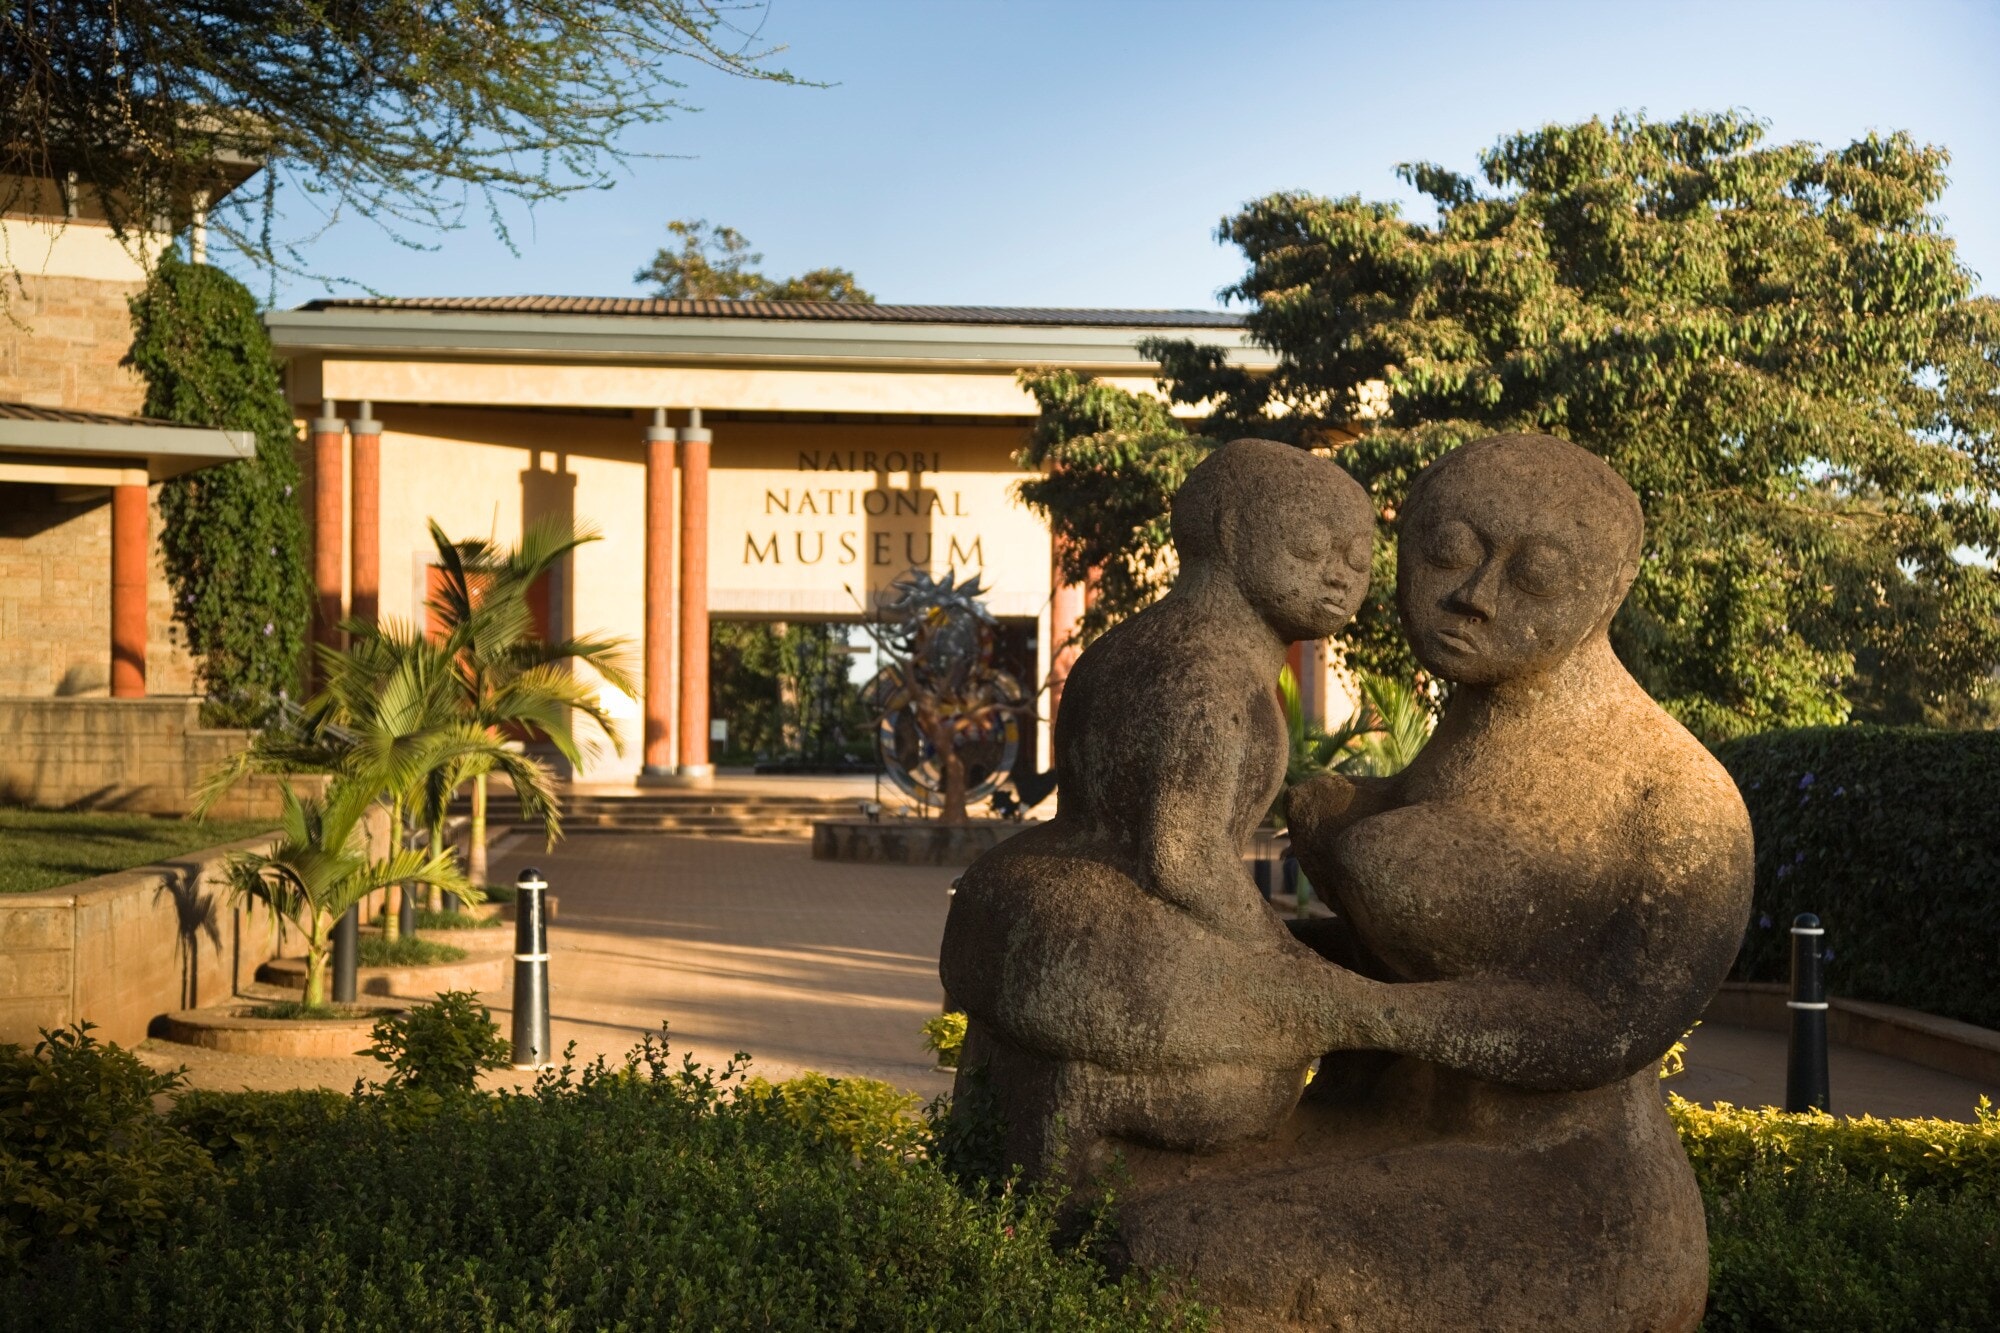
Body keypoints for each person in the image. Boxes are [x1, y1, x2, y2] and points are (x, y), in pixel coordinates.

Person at [1116, 433, 1753, 1333]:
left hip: (1564, 1188)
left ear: (1608, 590)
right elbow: (1383, 952)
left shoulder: (1674, 798)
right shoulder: (1455, 745)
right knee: (1096, 1191)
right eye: (1446, 552)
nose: (1475, 595)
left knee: (1171, 1249)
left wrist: (1345, 1009)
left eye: (1535, 576)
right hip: (1380, 1120)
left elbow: (1606, 1024)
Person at [938, 438, 1376, 1185]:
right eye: (1308, 547)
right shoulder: (1208, 677)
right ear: (1231, 532)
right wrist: (1282, 955)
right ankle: (1090, 1112)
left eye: (1357, 558)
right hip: (1113, 928)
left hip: (1035, 898)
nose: (1338, 575)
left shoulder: (1129, 645)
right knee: (1265, 1072)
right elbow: (1183, 856)